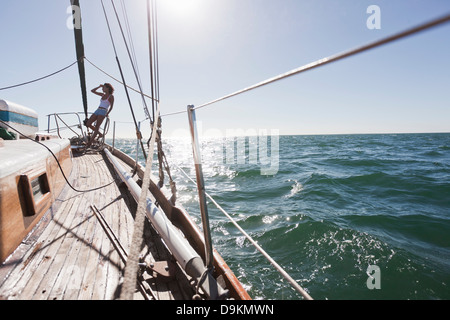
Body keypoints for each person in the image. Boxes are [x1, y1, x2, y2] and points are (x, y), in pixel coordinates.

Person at [85, 83, 114, 149]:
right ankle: (100, 134)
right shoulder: (102, 95)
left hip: (103, 111)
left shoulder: (111, 96)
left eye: (103, 87)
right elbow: (92, 91)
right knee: (88, 123)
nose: (102, 89)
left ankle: (89, 144)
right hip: (97, 110)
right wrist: (99, 86)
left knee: (97, 127)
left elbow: (111, 106)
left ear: (108, 88)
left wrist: (108, 113)